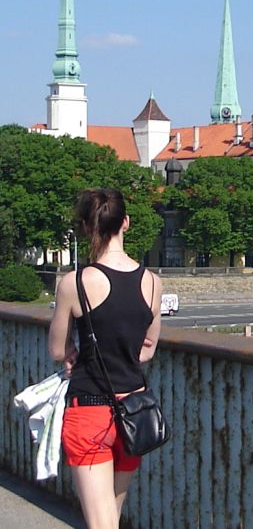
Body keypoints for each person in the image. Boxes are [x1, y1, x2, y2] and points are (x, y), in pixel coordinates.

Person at [48, 188, 161, 529]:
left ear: (87, 227)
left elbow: (56, 350)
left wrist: (74, 355)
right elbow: (148, 349)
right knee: (111, 515)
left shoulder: (75, 283)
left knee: (102, 524)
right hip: (135, 413)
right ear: (125, 223)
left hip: (90, 411)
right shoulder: (153, 282)